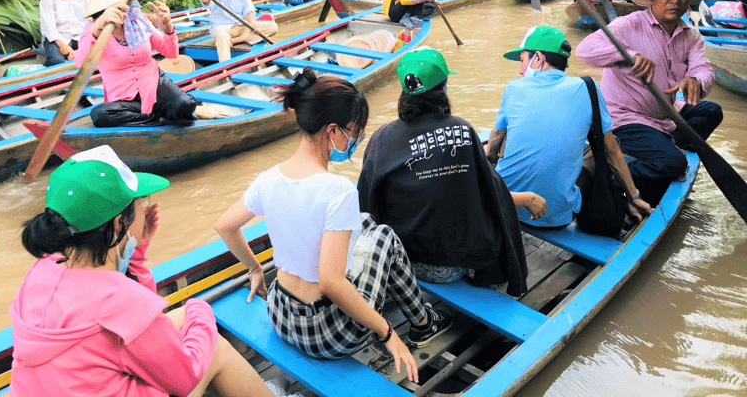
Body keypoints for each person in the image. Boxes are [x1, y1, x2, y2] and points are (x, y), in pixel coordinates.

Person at [214, 68, 452, 381]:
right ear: (332, 131)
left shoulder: (268, 179)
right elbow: (330, 282)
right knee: (384, 236)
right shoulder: (337, 191)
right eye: (354, 132)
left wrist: (255, 269)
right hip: (327, 335)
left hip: (281, 315)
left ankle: (405, 305)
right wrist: (388, 334)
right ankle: (423, 323)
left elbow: (225, 226)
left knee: (364, 221)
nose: (355, 139)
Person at [9, 145, 273, 397]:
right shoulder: (124, 304)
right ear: (117, 223)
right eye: (138, 202)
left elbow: (135, 314)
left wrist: (136, 252)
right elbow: (185, 378)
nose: (145, 207)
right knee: (213, 348)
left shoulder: (42, 270)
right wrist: (199, 309)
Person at [356, 48, 534, 295]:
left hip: (403, 261)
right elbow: (492, 194)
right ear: (443, 88)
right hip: (456, 266)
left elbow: (366, 202)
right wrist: (526, 198)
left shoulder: (381, 139)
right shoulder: (462, 130)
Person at [576, 0, 723, 206]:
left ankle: (671, 142)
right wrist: (627, 56)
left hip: (666, 116)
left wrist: (696, 80)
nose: (675, 0)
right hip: (626, 117)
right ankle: (612, 183)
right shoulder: (629, 24)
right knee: (675, 163)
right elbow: (585, 49)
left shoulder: (691, 35)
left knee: (712, 111)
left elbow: (703, 68)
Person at [487, 26, 652, 230]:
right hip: (557, 216)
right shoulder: (587, 87)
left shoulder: (513, 88)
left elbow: (495, 136)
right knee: (601, 146)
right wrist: (633, 195)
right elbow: (611, 151)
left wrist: (490, 155)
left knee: (503, 132)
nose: (521, 70)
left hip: (505, 206)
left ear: (537, 58)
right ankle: (619, 199)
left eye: (522, 61)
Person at [76, 0, 197, 127]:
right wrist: (98, 27)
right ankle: (156, 117)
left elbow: (171, 53)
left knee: (185, 105)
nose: (132, 5)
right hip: (123, 97)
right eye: (128, 1)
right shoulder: (94, 29)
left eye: (132, 0)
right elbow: (81, 64)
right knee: (100, 115)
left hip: (154, 84)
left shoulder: (138, 21)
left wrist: (167, 25)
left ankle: (153, 114)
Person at [39, 0, 90, 67]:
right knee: (56, 61)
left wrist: (79, 51)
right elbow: (48, 28)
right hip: (58, 38)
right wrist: (63, 46)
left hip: (80, 37)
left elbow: (91, 23)